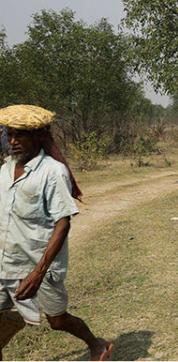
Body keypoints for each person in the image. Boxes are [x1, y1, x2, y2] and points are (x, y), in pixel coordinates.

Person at [0, 105, 113, 361]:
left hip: (39, 264)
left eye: (21, 135)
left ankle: (97, 345)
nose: (14, 141)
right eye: (10, 134)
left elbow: (63, 223)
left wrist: (38, 273)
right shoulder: (5, 169)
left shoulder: (53, 172)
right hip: (5, 261)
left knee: (57, 320)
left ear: (41, 135)